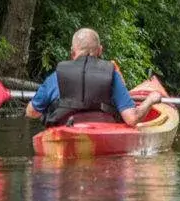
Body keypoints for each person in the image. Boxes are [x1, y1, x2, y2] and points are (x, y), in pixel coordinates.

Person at [25, 28, 160, 127]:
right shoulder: (111, 75)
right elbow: (132, 118)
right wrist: (150, 100)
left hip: (66, 130)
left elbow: (31, 112)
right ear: (100, 50)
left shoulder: (57, 75)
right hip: (103, 132)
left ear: (72, 53)